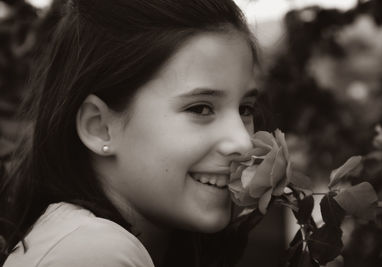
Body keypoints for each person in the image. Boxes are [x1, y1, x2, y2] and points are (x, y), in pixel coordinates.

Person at [0, 0, 265, 266]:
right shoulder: (95, 251)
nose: (243, 142)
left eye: (245, 108)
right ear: (99, 127)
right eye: (200, 108)